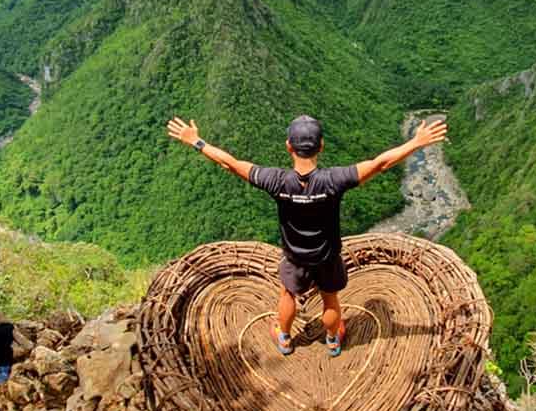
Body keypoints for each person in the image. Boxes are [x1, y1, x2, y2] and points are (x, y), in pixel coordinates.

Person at [166, 114, 448, 357]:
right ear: (321, 146)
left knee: (288, 294)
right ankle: (333, 338)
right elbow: (380, 163)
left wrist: (196, 141)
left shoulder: (276, 181)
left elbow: (231, 163)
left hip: (295, 257)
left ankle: (285, 337)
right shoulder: (333, 181)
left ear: (289, 147)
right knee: (330, 300)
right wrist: (415, 143)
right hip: (326, 256)